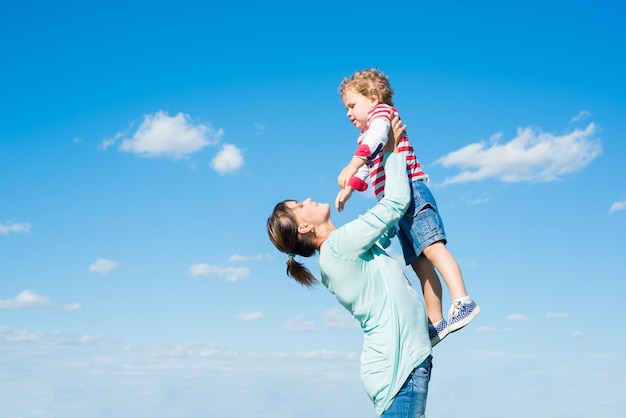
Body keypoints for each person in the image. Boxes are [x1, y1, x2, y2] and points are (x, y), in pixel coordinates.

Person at [267, 117, 432, 417]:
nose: (307, 199)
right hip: (399, 370)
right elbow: (394, 204)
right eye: (299, 206)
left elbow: (385, 227)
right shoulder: (338, 248)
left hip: (401, 366)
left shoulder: (340, 250)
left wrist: (376, 166)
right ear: (303, 226)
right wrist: (393, 151)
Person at [335, 68, 479, 346]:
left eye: (352, 105)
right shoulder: (367, 135)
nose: (348, 113)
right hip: (396, 203)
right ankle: (436, 322)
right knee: (419, 263)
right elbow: (368, 166)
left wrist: (353, 163)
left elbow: (376, 139)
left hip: (411, 191)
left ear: (373, 98)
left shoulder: (383, 116)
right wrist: (350, 187)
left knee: (432, 247)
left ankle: (463, 299)